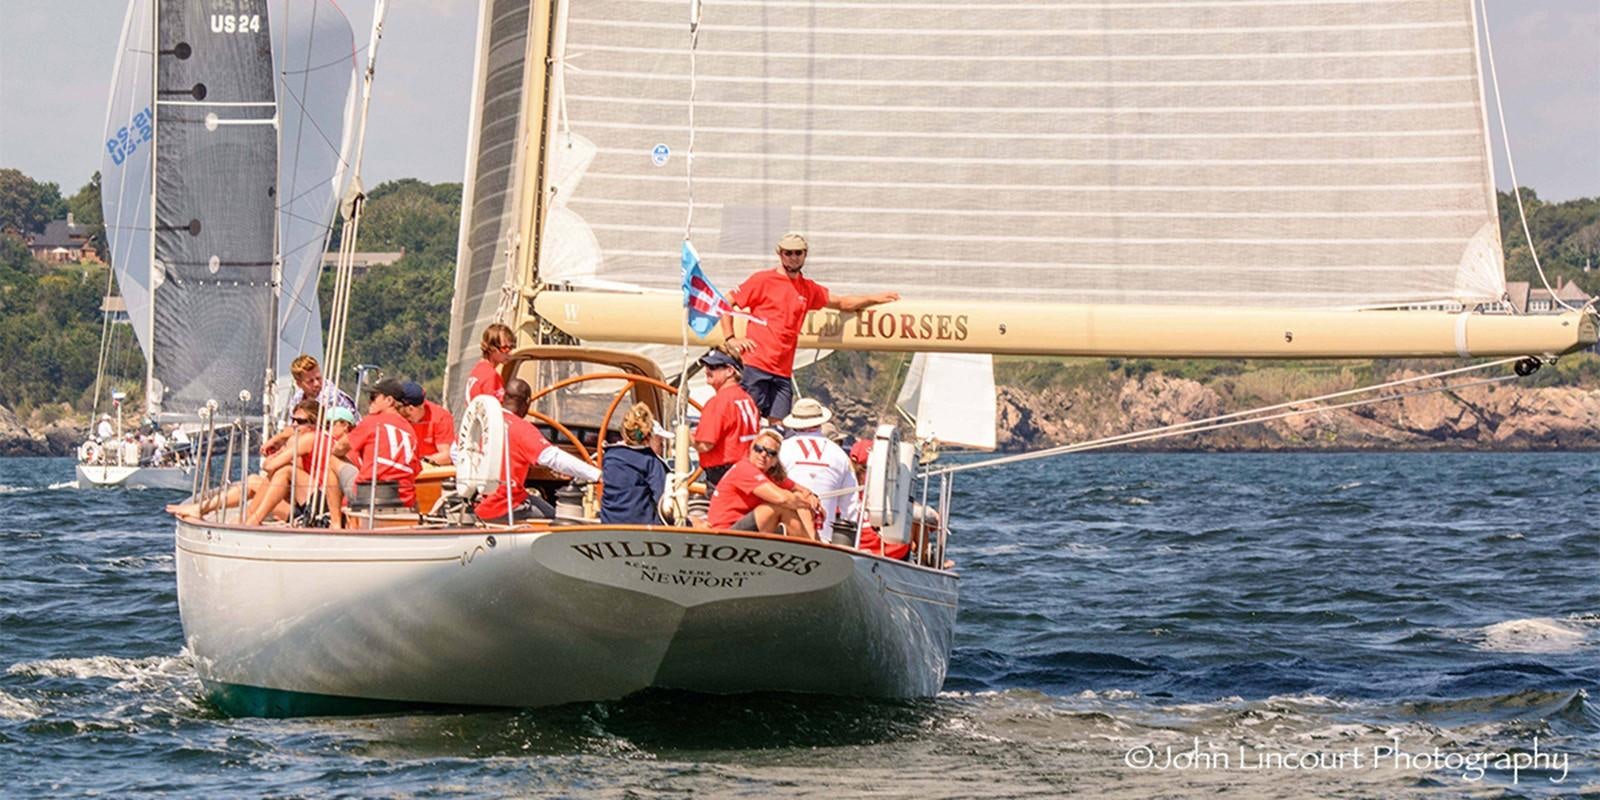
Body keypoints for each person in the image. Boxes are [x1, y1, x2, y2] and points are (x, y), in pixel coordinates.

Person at [719, 232, 899, 424]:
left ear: (805, 254)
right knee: (745, 424)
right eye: (788, 253)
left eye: (798, 253)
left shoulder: (808, 288)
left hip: (782, 372)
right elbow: (724, 303)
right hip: (756, 366)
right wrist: (731, 338)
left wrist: (875, 298)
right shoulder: (762, 280)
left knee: (779, 429)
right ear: (780, 254)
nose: (793, 257)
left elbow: (842, 302)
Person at [474, 378, 601, 524]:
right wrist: (596, 474)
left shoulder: (480, 422)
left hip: (478, 503)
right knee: (558, 520)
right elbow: (553, 458)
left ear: (503, 397)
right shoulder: (521, 429)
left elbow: (457, 451)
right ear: (527, 402)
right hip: (505, 505)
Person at [329, 378, 422, 527]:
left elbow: (339, 448)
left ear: (389, 400)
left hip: (370, 497)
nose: (369, 403)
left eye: (373, 398)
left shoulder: (371, 421)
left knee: (331, 459)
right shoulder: (410, 430)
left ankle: (335, 524)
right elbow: (416, 470)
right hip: (404, 499)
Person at [245, 404, 356, 525]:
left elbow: (269, 466)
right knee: (256, 481)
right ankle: (245, 519)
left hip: (327, 505)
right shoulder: (341, 446)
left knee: (285, 471)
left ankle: (250, 521)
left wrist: (279, 447)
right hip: (319, 502)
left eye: (300, 421)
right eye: (293, 420)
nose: (294, 425)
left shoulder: (313, 439)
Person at [706, 429, 821, 537]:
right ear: (751, 449)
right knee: (779, 507)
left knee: (799, 499)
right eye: (759, 449)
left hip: (744, 530)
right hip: (725, 532)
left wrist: (812, 499)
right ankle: (809, 549)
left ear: (775, 461)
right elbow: (781, 499)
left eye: (770, 453)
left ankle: (814, 545)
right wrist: (808, 503)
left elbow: (802, 491)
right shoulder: (744, 469)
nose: (763, 455)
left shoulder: (769, 475)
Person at [777, 398, 856, 534]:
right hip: (825, 538)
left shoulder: (781, 449)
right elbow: (851, 504)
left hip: (786, 535)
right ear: (820, 422)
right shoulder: (839, 454)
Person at [692, 350, 760, 492]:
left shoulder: (719, 402)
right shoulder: (747, 400)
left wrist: (684, 436)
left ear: (730, 371)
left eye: (713, 367)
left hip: (723, 476)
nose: (707, 371)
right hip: (748, 470)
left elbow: (704, 445)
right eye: (706, 367)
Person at [600, 403, 668, 525]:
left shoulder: (610, 457)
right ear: (649, 438)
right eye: (661, 443)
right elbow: (664, 501)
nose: (662, 448)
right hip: (640, 527)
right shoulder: (650, 461)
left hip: (609, 524)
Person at [397, 380, 455, 465]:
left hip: (432, 472)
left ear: (411, 408)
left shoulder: (440, 417)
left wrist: (422, 463)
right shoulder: (394, 417)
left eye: (399, 407)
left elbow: (447, 455)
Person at [286, 353, 357, 421]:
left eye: (318, 378)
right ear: (299, 384)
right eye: (310, 381)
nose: (316, 384)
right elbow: (292, 425)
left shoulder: (332, 397)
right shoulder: (297, 399)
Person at [466, 323, 515, 404]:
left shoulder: (477, 372)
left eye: (511, 347)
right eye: (505, 348)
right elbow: (496, 409)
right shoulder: (491, 376)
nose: (509, 352)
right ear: (491, 348)